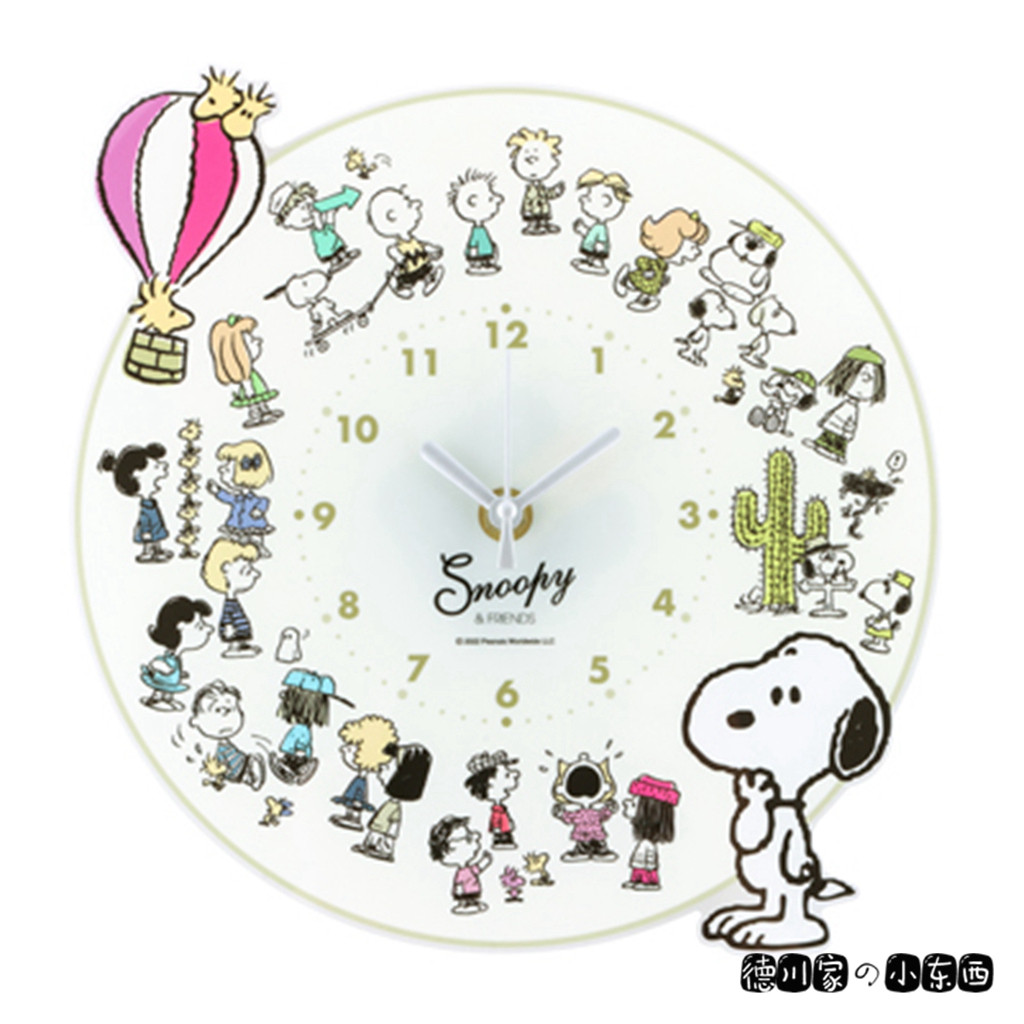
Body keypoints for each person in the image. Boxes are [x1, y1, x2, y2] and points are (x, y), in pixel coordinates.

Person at [98, 442, 173, 563]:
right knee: (151, 538)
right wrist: (145, 532)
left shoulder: (151, 503)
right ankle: (147, 552)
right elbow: (144, 520)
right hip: (149, 529)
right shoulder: (146, 507)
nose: (163, 466)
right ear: (137, 476)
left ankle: (157, 550)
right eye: (155, 467)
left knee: (156, 535)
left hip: (155, 526)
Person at [139, 595, 214, 711]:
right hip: (162, 682)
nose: (210, 629)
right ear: (181, 627)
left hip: (170, 682)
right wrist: (164, 668)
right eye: (199, 626)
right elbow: (156, 663)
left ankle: (167, 699)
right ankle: (156, 700)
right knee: (161, 690)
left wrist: (180, 674)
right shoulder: (169, 657)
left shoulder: (176, 657)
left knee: (168, 691)